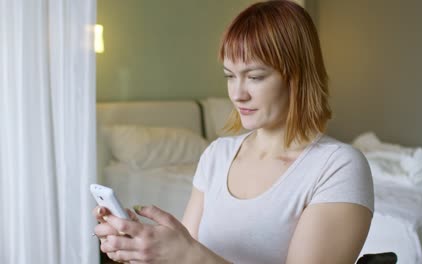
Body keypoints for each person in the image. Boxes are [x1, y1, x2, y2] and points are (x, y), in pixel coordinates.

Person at [93, 1, 374, 263]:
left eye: (255, 77)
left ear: (297, 77)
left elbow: (192, 256)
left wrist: (190, 254)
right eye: (230, 76)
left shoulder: (337, 166)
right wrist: (143, 247)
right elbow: (186, 255)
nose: (238, 94)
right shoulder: (217, 154)